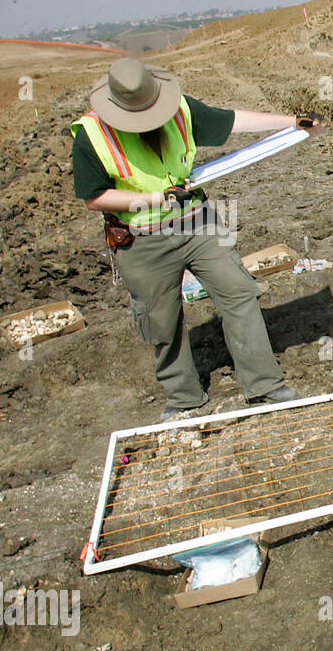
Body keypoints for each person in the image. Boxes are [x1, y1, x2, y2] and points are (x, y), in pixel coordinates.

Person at [72, 58, 318, 421]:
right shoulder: (92, 135)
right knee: (161, 319)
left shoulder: (179, 109)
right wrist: (158, 199)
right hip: (142, 239)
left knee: (238, 293)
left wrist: (290, 121)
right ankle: (183, 399)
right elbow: (95, 198)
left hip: (197, 224)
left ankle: (264, 386)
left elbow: (231, 121)